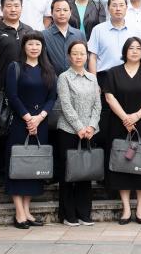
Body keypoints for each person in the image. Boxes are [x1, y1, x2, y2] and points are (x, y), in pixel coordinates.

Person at [102, 37, 141, 225]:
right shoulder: (113, 72)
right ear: (125, 51)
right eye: (131, 48)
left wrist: (136, 116)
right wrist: (125, 118)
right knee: (122, 164)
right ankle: (126, 209)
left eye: (138, 48)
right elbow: (109, 97)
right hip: (119, 123)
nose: (135, 51)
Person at [5, 32, 57, 228]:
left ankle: (27, 210)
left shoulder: (48, 69)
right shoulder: (15, 67)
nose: (34, 47)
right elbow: (12, 95)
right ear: (24, 47)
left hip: (41, 123)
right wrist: (28, 118)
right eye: (30, 44)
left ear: (42, 47)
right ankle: (19, 213)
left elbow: (52, 97)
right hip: (21, 123)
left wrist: (40, 117)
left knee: (34, 165)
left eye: (37, 44)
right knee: (18, 164)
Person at [55, 40, 101, 227]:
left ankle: (84, 213)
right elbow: (65, 105)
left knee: (85, 173)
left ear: (87, 56)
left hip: (89, 132)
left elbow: (98, 105)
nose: (79, 57)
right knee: (68, 174)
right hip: (68, 131)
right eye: (75, 53)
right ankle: (68, 214)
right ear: (69, 56)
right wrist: (79, 127)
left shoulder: (92, 78)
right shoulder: (64, 77)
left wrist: (91, 126)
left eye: (82, 53)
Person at [0, 0, 33, 92]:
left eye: (16, 6)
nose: (13, 9)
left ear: (21, 8)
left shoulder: (28, 30)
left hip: (25, 84)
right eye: (9, 6)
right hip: (0, 85)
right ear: (1, 9)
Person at [87, 0, 133, 74]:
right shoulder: (98, 30)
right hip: (105, 75)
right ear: (108, 8)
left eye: (121, 5)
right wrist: (93, 80)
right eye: (114, 6)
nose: (118, 9)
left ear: (126, 8)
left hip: (129, 75)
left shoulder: (134, 30)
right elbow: (92, 57)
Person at [42, 0, 86, 75]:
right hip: (52, 79)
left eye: (65, 10)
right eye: (58, 10)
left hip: (77, 79)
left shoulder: (79, 34)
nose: (62, 13)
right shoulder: (44, 35)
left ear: (70, 12)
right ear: (51, 13)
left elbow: (85, 59)